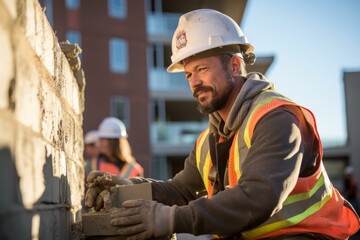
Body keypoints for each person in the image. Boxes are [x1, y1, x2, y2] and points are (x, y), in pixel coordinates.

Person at [85, 9, 360, 240]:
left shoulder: (276, 118)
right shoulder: (209, 139)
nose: (194, 83)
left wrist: (169, 219)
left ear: (234, 65)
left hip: (307, 236)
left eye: (202, 69)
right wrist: (126, 187)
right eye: (189, 74)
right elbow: (181, 190)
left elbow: (259, 197)